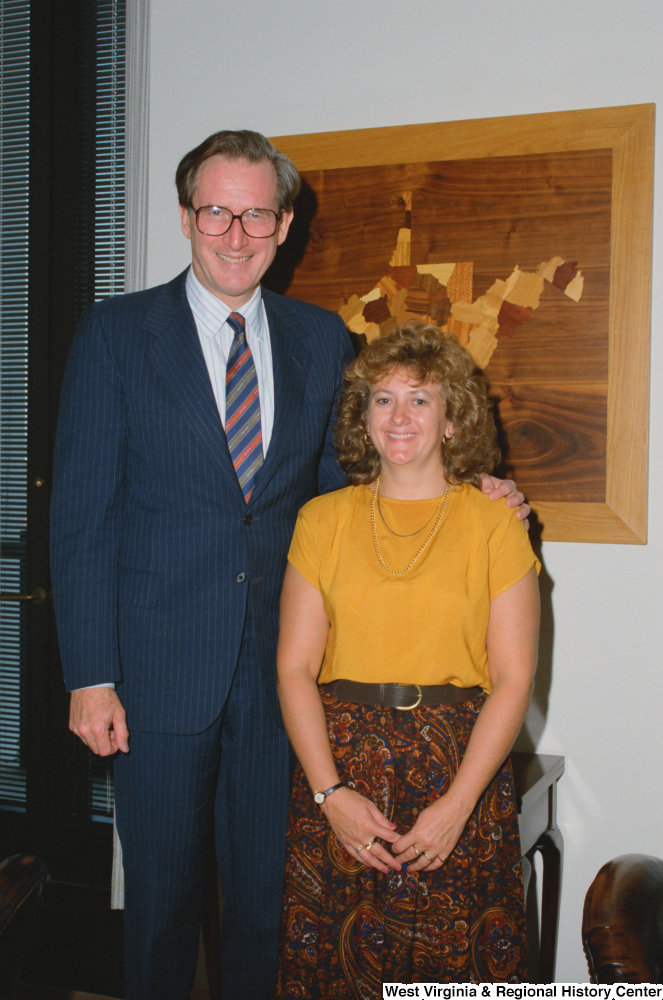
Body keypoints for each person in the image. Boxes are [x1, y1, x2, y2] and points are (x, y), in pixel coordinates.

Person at [50, 131, 529, 1000]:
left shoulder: (320, 339)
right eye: (216, 212)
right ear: (188, 217)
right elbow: (83, 515)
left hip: (286, 681)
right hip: (154, 678)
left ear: (284, 223)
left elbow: (358, 481)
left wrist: (476, 483)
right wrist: (90, 674)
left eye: (256, 214)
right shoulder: (117, 334)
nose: (236, 234)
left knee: (269, 910)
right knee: (159, 905)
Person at [275, 322, 540, 994]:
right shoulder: (321, 520)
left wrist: (455, 807)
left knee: (453, 970)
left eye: (420, 400)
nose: (399, 416)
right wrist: (328, 792)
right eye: (382, 398)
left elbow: (512, 679)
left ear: (453, 420)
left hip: (458, 767)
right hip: (341, 769)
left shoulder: (493, 523)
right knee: (336, 969)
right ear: (362, 418)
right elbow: (294, 668)